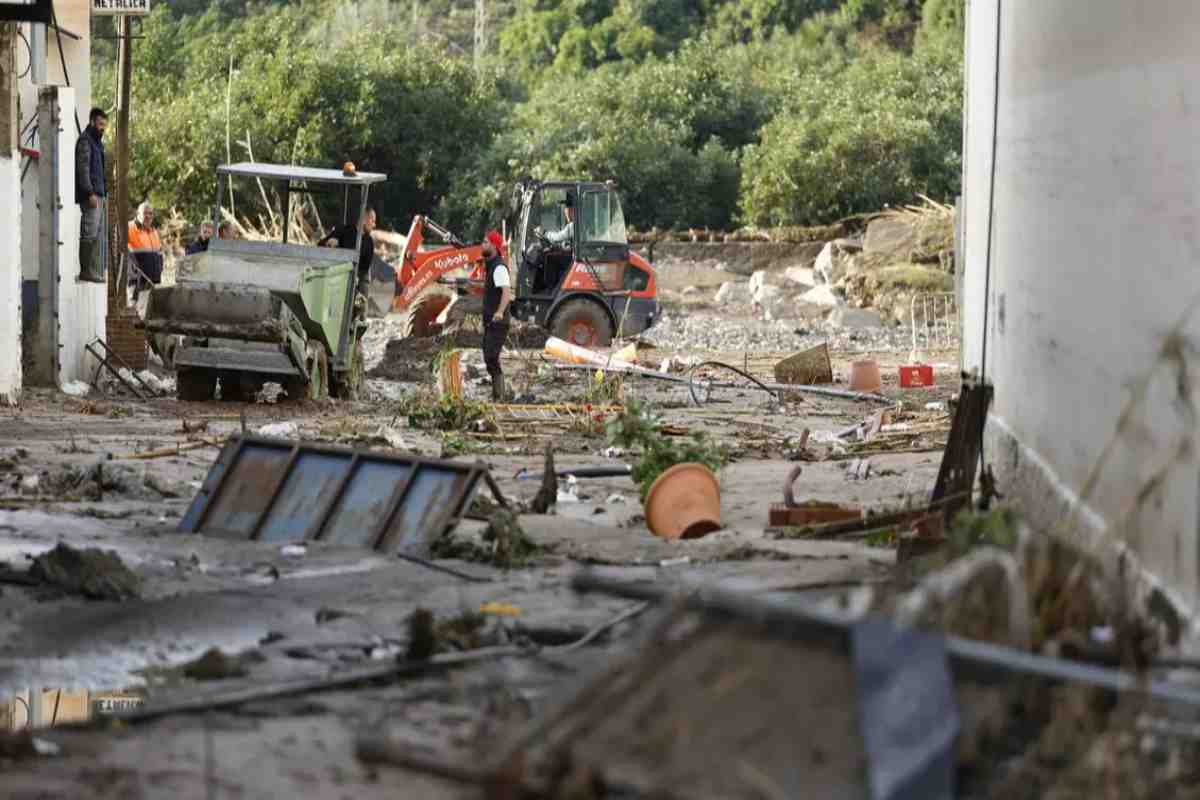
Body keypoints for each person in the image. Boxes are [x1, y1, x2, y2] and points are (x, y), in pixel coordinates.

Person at [74, 107, 108, 283]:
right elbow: (83, 169)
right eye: (100, 124)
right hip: (92, 195)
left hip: (100, 194)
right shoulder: (85, 141)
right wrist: (90, 192)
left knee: (95, 233)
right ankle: (85, 271)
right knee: (88, 232)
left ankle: (92, 270)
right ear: (92, 121)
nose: (103, 128)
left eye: (104, 125)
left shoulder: (97, 143)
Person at [481, 229, 512, 402]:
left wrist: (499, 312)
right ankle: (497, 393)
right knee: (488, 357)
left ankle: (499, 395)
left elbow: (506, 293)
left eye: (485, 242)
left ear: (494, 245)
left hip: (498, 322)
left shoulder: (499, 267)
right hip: (490, 322)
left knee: (491, 357)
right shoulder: (491, 266)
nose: (482, 245)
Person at [319, 208, 377, 294]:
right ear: (364, 219)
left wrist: (357, 278)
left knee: (361, 295)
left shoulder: (370, 243)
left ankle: (360, 306)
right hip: (336, 275)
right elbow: (320, 245)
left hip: (357, 279)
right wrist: (329, 243)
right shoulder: (343, 230)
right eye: (373, 221)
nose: (374, 225)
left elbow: (364, 269)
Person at [127, 202, 164, 300]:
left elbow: (159, 255)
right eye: (145, 213)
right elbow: (122, 253)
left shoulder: (154, 232)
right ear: (137, 214)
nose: (148, 216)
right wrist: (134, 274)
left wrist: (160, 270)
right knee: (136, 312)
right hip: (138, 284)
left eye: (150, 213)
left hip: (154, 283)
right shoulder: (129, 228)